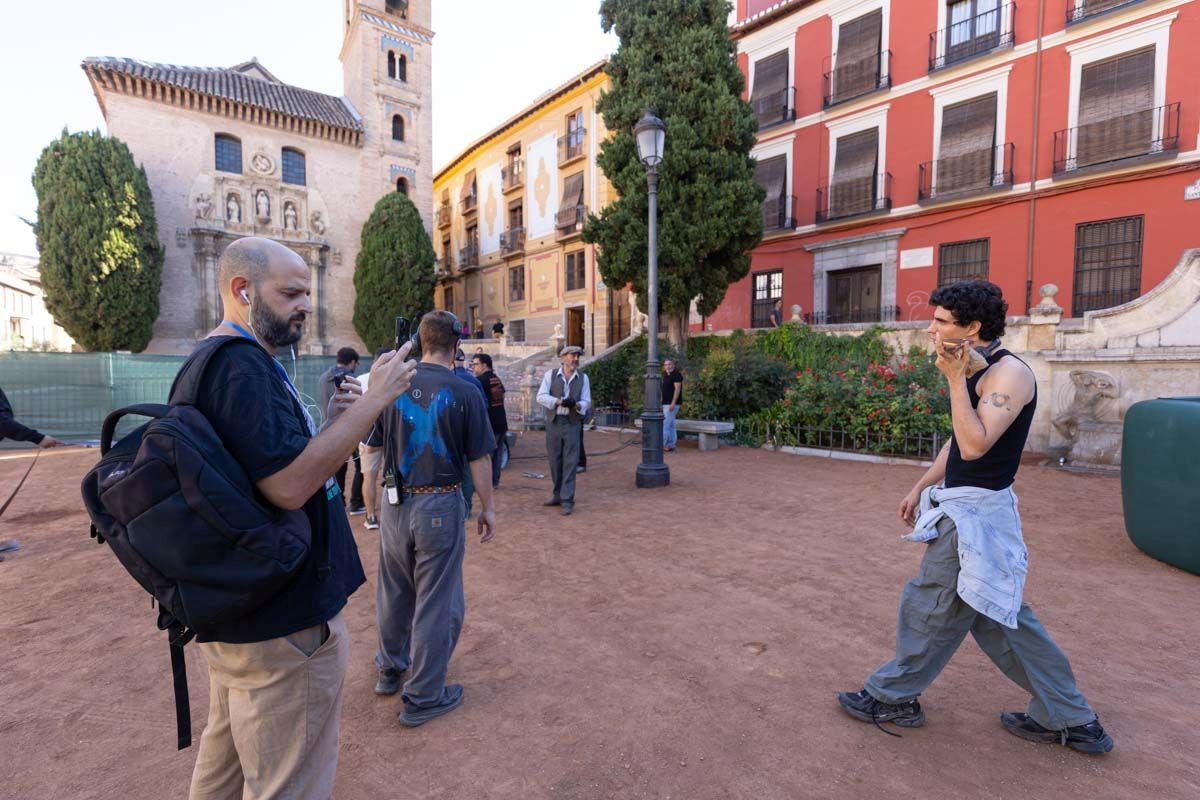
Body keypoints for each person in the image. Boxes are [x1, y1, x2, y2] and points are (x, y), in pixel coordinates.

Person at [836, 280, 1113, 755]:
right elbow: (955, 443)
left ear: (973, 328)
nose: (930, 329)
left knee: (933, 604)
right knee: (1000, 618)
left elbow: (975, 443)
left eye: (941, 321)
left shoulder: (1009, 376)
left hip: (977, 517)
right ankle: (1070, 717)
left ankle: (892, 696)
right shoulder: (976, 368)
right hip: (962, 504)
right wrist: (920, 486)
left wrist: (951, 381)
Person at [185, 237, 416, 798]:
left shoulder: (214, 361)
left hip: (245, 616)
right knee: (289, 786)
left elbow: (261, 473)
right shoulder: (243, 368)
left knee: (224, 773)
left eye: (307, 293)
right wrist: (372, 402)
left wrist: (335, 425)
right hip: (283, 627)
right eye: (290, 292)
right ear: (242, 292)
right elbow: (289, 487)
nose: (305, 305)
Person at [370, 311, 497, 727]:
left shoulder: (392, 382)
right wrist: (487, 507)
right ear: (456, 344)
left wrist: (371, 497)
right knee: (437, 603)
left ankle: (391, 669)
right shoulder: (465, 388)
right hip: (439, 505)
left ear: (422, 342)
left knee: (394, 590)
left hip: (393, 503)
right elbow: (479, 457)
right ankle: (424, 696)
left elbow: (371, 445)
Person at [536, 345, 591, 516]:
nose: (575, 359)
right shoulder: (550, 375)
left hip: (572, 423)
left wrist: (576, 404)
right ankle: (557, 494)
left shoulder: (583, 378)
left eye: (577, 356)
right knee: (554, 461)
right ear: (563, 357)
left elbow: (587, 401)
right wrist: (558, 401)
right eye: (572, 356)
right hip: (554, 422)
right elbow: (541, 396)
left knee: (570, 461)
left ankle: (567, 500)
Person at [320, 347, 366, 514]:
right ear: (352, 362)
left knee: (338, 467)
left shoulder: (324, 377)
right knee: (361, 467)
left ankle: (338, 503)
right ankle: (356, 502)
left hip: (331, 429)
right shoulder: (352, 378)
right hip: (352, 430)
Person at [358, 346, 391, 531]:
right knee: (393, 474)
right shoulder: (398, 379)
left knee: (369, 476)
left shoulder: (361, 379)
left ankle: (371, 517)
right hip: (392, 430)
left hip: (369, 431)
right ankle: (393, 512)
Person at [453, 349, 488, 515]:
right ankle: (466, 507)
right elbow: (484, 405)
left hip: (449, 436)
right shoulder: (472, 380)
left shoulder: (447, 379)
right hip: (469, 433)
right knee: (468, 473)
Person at [470, 353, 508, 488]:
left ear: (484, 365)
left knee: (486, 457)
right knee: (497, 456)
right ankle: (494, 482)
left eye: (475, 364)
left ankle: (485, 484)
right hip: (501, 422)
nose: (473, 367)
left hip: (490, 424)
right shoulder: (496, 378)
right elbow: (502, 395)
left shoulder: (480, 381)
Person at [662, 358, 683, 452]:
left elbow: (677, 389)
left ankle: (665, 444)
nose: (668, 366)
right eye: (666, 365)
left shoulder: (677, 375)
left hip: (671, 404)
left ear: (673, 365)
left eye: (669, 364)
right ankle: (671, 444)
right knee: (671, 424)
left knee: (666, 424)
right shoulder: (665, 375)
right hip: (665, 403)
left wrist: (673, 402)